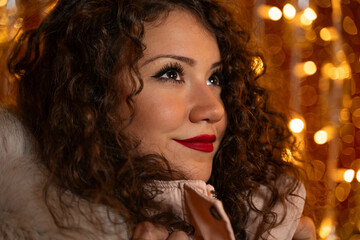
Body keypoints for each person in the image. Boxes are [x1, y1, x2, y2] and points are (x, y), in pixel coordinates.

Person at [0, 0, 316, 239]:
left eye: (215, 78)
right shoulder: (37, 224)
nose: (214, 109)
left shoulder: (266, 217)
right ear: (92, 93)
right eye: (171, 73)